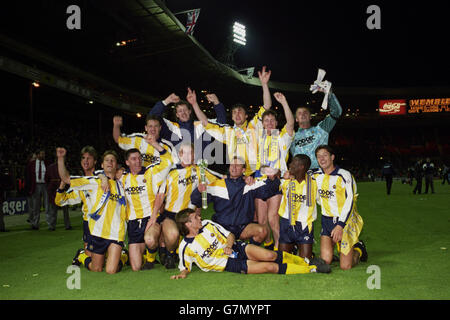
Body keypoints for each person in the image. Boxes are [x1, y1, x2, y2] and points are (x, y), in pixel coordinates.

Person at [170, 208, 330, 279]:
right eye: (194, 218)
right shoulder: (185, 247)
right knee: (270, 267)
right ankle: (311, 269)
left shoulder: (207, 224)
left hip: (237, 247)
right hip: (229, 264)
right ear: (188, 224)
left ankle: (306, 261)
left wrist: (228, 245)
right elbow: (184, 266)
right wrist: (182, 273)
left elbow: (230, 235)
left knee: (270, 255)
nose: (199, 217)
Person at [58, 148, 128, 274]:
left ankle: (124, 255)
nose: (110, 162)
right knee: (96, 269)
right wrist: (60, 159)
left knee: (111, 270)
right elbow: (66, 178)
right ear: (102, 165)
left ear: (116, 165)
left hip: (116, 233)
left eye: (113, 160)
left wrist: (121, 171)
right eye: (107, 160)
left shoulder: (123, 182)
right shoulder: (94, 182)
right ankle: (81, 255)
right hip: (97, 232)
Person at [155, 143, 222, 268]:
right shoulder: (170, 171)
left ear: (194, 155)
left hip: (189, 216)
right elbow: (160, 194)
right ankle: (169, 253)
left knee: (200, 234)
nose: (187, 156)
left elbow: (219, 178)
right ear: (180, 155)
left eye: (190, 153)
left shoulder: (199, 170)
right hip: (171, 215)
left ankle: (183, 252)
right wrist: (155, 216)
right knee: (173, 234)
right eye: (184, 153)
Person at [197, 66, 273, 175]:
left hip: (254, 174)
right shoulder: (228, 131)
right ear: (232, 117)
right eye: (234, 112)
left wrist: (264, 85)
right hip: (235, 174)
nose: (237, 114)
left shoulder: (254, 126)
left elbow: (267, 105)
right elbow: (205, 123)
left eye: (240, 111)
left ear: (246, 116)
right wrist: (195, 104)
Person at [190, 156, 278, 246]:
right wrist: (198, 191)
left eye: (238, 165)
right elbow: (196, 201)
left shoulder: (250, 184)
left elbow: (269, 191)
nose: (234, 167)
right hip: (222, 228)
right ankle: (231, 246)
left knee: (262, 231)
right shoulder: (217, 184)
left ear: (243, 170)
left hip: (242, 228)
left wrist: (272, 179)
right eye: (232, 165)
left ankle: (247, 251)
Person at [117, 143, 173, 272]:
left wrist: (154, 144)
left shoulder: (150, 172)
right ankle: (134, 253)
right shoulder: (123, 178)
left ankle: (150, 259)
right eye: (133, 159)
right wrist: (103, 177)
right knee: (136, 267)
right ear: (127, 162)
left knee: (149, 239)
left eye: (139, 158)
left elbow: (168, 161)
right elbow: (108, 175)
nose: (137, 161)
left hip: (151, 218)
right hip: (133, 223)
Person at [314, 145, 367, 270]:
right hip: (326, 220)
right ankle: (337, 246)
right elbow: (299, 174)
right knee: (326, 260)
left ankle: (359, 249)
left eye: (325, 155)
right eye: (318, 156)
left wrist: (340, 225)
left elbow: (350, 202)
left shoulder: (344, 175)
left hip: (344, 221)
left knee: (345, 266)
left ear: (332, 157)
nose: (322, 159)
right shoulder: (315, 175)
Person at [254, 91, 295, 250]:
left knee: (273, 218)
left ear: (276, 123)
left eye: (272, 120)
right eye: (266, 120)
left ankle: (279, 248)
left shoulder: (282, 136)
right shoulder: (257, 136)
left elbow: (291, 123)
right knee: (262, 221)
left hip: (277, 181)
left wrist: (284, 102)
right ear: (262, 123)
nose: (269, 122)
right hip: (259, 181)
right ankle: (269, 243)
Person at [147, 89, 227, 162]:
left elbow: (221, 124)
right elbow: (152, 117)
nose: (183, 113)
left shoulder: (201, 125)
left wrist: (216, 102)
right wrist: (167, 101)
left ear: (189, 111)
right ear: (177, 114)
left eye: (185, 110)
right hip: (177, 171)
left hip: (199, 170)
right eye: (180, 111)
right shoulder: (172, 127)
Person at [55, 145, 98, 256]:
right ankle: (81, 255)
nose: (86, 161)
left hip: (105, 223)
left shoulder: (101, 177)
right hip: (88, 224)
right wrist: (61, 187)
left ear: (95, 161)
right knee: (93, 258)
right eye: (83, 158)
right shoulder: (79, 184)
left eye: (89, 158)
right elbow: (60, 201)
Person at [290, 88, 343, 172]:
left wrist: (329, 94)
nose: (303, 114)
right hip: (301, 176)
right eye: (300, 113)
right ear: (296, 119)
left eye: (305, 113)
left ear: (310, 117)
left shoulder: (321, 129)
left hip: (321, 174)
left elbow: (337, 112)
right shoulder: (291, 137)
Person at [278, 154, 317, 259]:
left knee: (305, 262)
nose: (290, 165)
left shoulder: (315, 183)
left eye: (293, 163)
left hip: (304, 225)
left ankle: (300, 250)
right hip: (287, 222)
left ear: (301, 167)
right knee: (282, 261)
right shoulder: (285, 181)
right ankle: (293, 248)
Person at [113, 114, 177, 166]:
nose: (153, 129)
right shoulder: (137, 139)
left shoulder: (168, 146)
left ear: (160, 128)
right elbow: (118, 139)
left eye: (156, 126)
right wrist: (116, 125)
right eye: (150, 126)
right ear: (146, 128)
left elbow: (173, 166)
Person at [45, 153, 72, 231]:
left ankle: (53, 226)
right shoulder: (51, 167)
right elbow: (46, 179)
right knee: (54, 209)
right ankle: (55, 225)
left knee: (63, 209)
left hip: (61, 190)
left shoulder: (64, 167)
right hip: (55, 190)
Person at [26, 149, 50, 230]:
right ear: (38, 155)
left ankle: (50, 223)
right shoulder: (32, 164)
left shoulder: (46, 163)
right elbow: (28, 176)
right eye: (42, 154)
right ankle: (35, 223)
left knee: (47, 205)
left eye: (44, 154)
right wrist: (29, 188)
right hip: (35, 185)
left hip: (45, 185)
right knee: (36, 206)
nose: (43, 155)